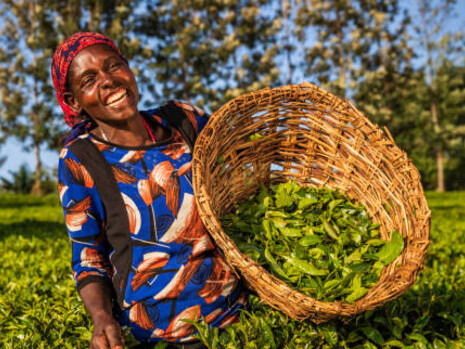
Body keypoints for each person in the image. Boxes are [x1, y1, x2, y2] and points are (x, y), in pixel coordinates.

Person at [52, 32, 247, 349]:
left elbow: (240, 175)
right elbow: (88, 258)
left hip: (237, 321)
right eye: (89, 80)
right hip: (157, 335)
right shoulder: (81, 158)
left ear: (128, 68)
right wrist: (102, 320)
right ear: (74, 101)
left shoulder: (185, 121)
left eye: (113, 66)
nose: (108, 81)